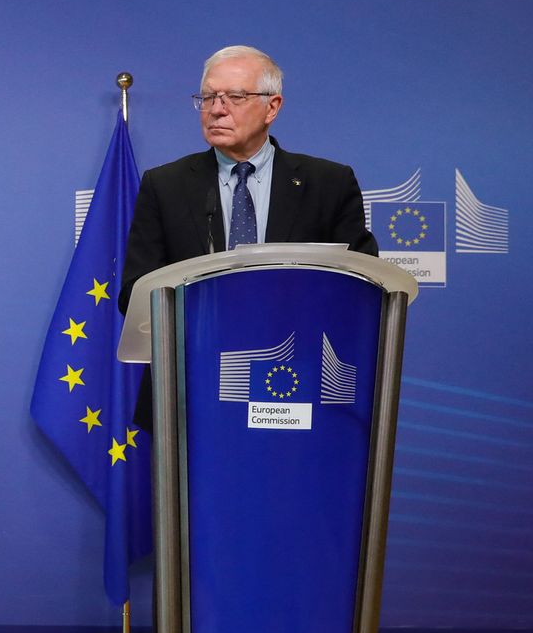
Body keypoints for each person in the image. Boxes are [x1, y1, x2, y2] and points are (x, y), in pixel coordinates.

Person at [118, 45, 378, 427]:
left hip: (300, 386)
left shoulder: (329, 183)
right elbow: (135, 292)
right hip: (191, 390)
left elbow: (364, 286)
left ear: (272, 107)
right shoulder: (165, 185)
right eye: (208, 97)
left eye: (235, 97)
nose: (217, 109)